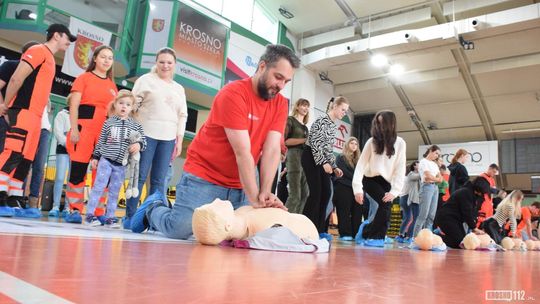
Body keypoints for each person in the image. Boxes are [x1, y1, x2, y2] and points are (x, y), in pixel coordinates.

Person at [130, 44, 300, 239]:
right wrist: (254, 198)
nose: (280, 86)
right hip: (206, 174)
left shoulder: (280, 103)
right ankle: (154, 207)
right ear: (262, 66)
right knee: (179, 230)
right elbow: (242, 151)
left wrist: (264, 193)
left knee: (240, 234)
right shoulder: (234, 93)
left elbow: (271, 150)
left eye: (286, 81)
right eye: (278, 77)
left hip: (242, 181)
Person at [0, 24, 75, 217]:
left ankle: (13, 199)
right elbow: (17, 78)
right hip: (23, 111)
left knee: (25, 160)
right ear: (57, 35)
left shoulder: (49, 57)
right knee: (12, 153)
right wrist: (5, 105)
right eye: (67, 38)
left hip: (36, 117)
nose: (69, 42)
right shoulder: (38, 50)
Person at [124, 47, 188, 229]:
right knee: (139, 176)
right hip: (145, 135)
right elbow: (132, 106)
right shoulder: (145, 80)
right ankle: (130, 217)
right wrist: (133, 134)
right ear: (156, 62)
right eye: (162, 62)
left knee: (160, 182)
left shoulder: (179, 89)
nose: (165, 65)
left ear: (175, 65)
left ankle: (153, 220)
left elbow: (182, 115)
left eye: (169, 62)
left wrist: (179, 140)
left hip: (168, 139)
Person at [64, 45, 118, 224]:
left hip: (104, 134)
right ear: (95, 58)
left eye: (110, 58)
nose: (106, 60)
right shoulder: (83, 78)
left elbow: (115, 113)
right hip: (84, 129)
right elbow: (74, 105)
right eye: (103, 57)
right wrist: (73, 128)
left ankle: (97, 211)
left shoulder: (112, 86)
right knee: (78, 170)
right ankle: (74, 210)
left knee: (103, 174)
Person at [84, 90, 146, 227]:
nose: (124, 106)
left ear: (132, 107)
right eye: (121, 103)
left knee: (114, 191)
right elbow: (101, 141)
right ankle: (89, 215)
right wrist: (95, 156)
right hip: (106, 160)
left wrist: (138, 144)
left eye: (128, 104)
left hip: (121, 165)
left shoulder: (136, 125)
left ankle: (110, 217)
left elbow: (143, 140)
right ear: (115, 105)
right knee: (98, 187)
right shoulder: (109, 123)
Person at [352, 110, 406, 247]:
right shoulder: (371, 142)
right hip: (370, 179)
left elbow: (400, 168)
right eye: (378, 122)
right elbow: (360, 165)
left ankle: (367, 231)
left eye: (383, 122)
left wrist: (395, 191)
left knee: (386, 207)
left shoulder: (400, 143)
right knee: (385, 204)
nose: (380, 126)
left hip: (386, 182)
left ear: (391, 124)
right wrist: (357, 189)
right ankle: (376, 237)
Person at [302, 96, 348, 240]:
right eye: (343, 109)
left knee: (326, 193)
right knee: (316, 194)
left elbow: (327, 149)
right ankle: (306, 228)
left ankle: (319, 229)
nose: (344, 113)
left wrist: (334, 167)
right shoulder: (322, 121)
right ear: (334, 106)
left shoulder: (333, 125)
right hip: (311, 157)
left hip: (321, 159)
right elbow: (315, 143)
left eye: (346, 111)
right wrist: (324, 163)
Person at [0, 41, 40, 152]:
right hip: (4, 118)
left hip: (21, 120)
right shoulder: (11, 65)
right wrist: (4, 109)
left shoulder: (36, 73)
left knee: (14, 155)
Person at [434, 177, 491, 248]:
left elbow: (472, 212)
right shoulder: (466, 193)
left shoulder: (472, 194)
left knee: (463, 241)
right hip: (446, 218)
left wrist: (474, 225)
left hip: (455, 219)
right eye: (483, 192)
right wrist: (474, 228)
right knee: (460, 242)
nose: (483, 194)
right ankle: (435, 237)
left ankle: (438, 236)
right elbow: (467, 213)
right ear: (479, 189)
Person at [284, 98, 310, 214]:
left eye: (307, 106)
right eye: (303, 105)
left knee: (305, 194)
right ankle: (283, 223)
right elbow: (285, 141)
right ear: (297, 107)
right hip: (293, 156)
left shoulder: (305, 128)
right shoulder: (290, 120)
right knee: (295, 195)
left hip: (304, 159)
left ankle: (296, 221)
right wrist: (304, 140)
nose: (306, 108)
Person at [333, 137, 361, 241]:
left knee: (357, 212)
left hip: (356, 188)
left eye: (356, 144)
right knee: (344, 211)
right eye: (352, 143)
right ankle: (345, 233)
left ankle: (356, 233)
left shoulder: (359, 159)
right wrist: (357, 178)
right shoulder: (340, 157)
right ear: (347, 145)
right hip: (343, 186)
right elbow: (343, 172)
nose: (354, 145)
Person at [413, 145, 442, 237]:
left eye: (438, 154)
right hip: (426, 187)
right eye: (436, 153)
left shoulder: (434, 164)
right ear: (430, 151)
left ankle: (427, 238)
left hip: (435, 188)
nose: (437, 156)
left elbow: (440, 178)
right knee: (423, 215)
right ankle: (415, 238)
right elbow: (427, 176)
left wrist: (435, 179)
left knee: (431, 216)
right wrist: (436, 179)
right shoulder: (423, 162)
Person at [49, 98, 71, 217]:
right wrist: (68, 144)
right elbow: (58, 132)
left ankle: (68, 207)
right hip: (63, 150)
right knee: (60, 177)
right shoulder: (61, 114)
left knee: (72, 180)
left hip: (77, 152)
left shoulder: (80, 115)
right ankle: (55, 206)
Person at [395, 161, 420, 243]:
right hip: (406, 197)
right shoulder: (410, 176)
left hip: (402, 197)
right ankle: (408, 236)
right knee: (411, 218)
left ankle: (401, 234)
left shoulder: (404, 178)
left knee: (407, 218)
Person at [477, 163, 499, 228]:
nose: (494, 174)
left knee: (489, 221)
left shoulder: (492, 180)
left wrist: (491, 203)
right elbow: (481, 189)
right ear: (490, 169)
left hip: (489, 203)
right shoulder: (482, 177)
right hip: (483, 202)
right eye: (494, 172)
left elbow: (493, 191)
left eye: (495, 173)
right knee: (481, 220)